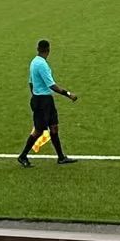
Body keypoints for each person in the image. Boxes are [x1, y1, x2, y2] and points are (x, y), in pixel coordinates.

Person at [18, 38, 77, 166]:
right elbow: (52, 86)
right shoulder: (42, 65)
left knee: (54, 127)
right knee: (38, 131)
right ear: (48, 50)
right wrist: (68, 94)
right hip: (42, 101)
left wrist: (34, 95)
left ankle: (61, 157)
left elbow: (30, 82)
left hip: (45, 100)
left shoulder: (34, 62)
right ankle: (23, 156)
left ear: (38, 49)